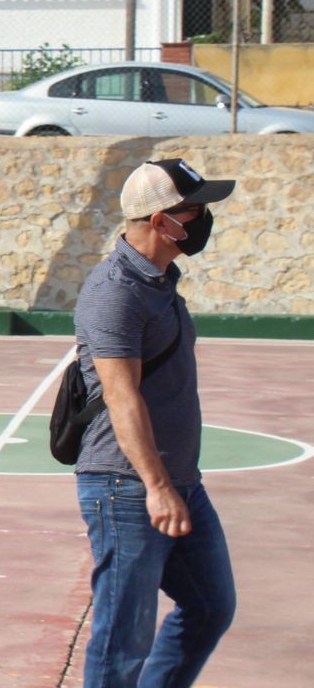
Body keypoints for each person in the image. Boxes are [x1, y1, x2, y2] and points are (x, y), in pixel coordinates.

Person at [72, 158, 238, 686]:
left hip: (179, 482)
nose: (205, 218)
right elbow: (121, 397)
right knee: (124, 639)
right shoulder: (115, 291)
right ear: (161, 220)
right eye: (195, 209)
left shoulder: (161, 279)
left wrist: (176, 484)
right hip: (128, 486)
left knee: (210, 605)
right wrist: (159, 486)